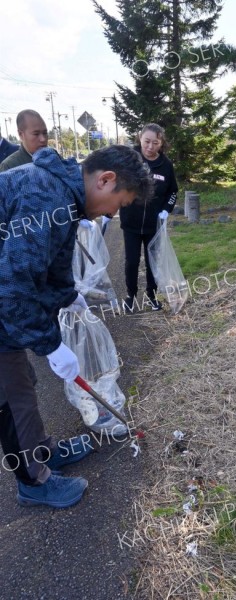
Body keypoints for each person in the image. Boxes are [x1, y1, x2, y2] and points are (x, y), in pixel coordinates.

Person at [0, 145, 152, 508]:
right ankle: (33, 482)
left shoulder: (64, 195)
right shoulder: (46, 198)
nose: (114, 214)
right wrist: (49, 345)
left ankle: (41, 450)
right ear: (105, 180)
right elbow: (12, 289)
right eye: (120, 203)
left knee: (22, 381)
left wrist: (67, 295)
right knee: (11, 392)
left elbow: (51, 264)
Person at [117, 123, 178, 311]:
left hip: (154, 223)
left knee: (153, 260)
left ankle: (151, 295)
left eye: (155, 143)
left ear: (161, 143)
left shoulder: (166, 165)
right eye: (147, 142)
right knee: (132, 260)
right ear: (140, 139)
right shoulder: (130, 159)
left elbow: (173, 191)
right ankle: (131, 295)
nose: (150, 147)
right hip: (131, 221)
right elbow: (116, 184)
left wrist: (167, 209)